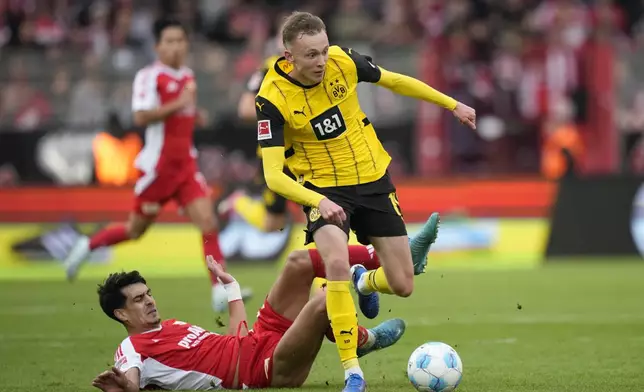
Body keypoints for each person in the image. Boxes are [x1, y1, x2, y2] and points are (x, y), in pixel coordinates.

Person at [255, 11, 476, 392]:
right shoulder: (271, 99)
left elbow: (395, 81)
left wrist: (450, 104)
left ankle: (366, 281)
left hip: (373, 179)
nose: (321, 61)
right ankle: (353, 372)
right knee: (336, 263)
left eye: (323, 50)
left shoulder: (344, 61)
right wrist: (317, 201)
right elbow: (273, 175)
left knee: (404, 284)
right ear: (289, 56)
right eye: (310, 55)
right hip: (323, 190)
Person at [63, 18, 250, 311]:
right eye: (170, 41)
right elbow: (140, 117)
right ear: (157, 46)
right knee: (135, 230)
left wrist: (193, 113)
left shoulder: (188, 75)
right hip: (158, 168)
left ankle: (218, 291)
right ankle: (86, 246)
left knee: (209, 223)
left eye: (180, 40)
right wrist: (180, 104)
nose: (176, 46)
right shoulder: (149, 76)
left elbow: (180, 117)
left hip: (185, 165)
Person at [91, 249, 406, 391]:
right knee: (324, 299)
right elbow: (130, 380)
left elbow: (234, 338)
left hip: (258, 339)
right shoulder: (132, 347)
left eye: (148, 294)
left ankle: (381, 255)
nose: (149, 301)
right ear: (121, 314)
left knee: (298, 262)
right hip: (263, 369)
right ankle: (362, 335)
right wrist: (124, 387)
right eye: (138, 299)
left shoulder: (171, 326)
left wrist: (231, 287)